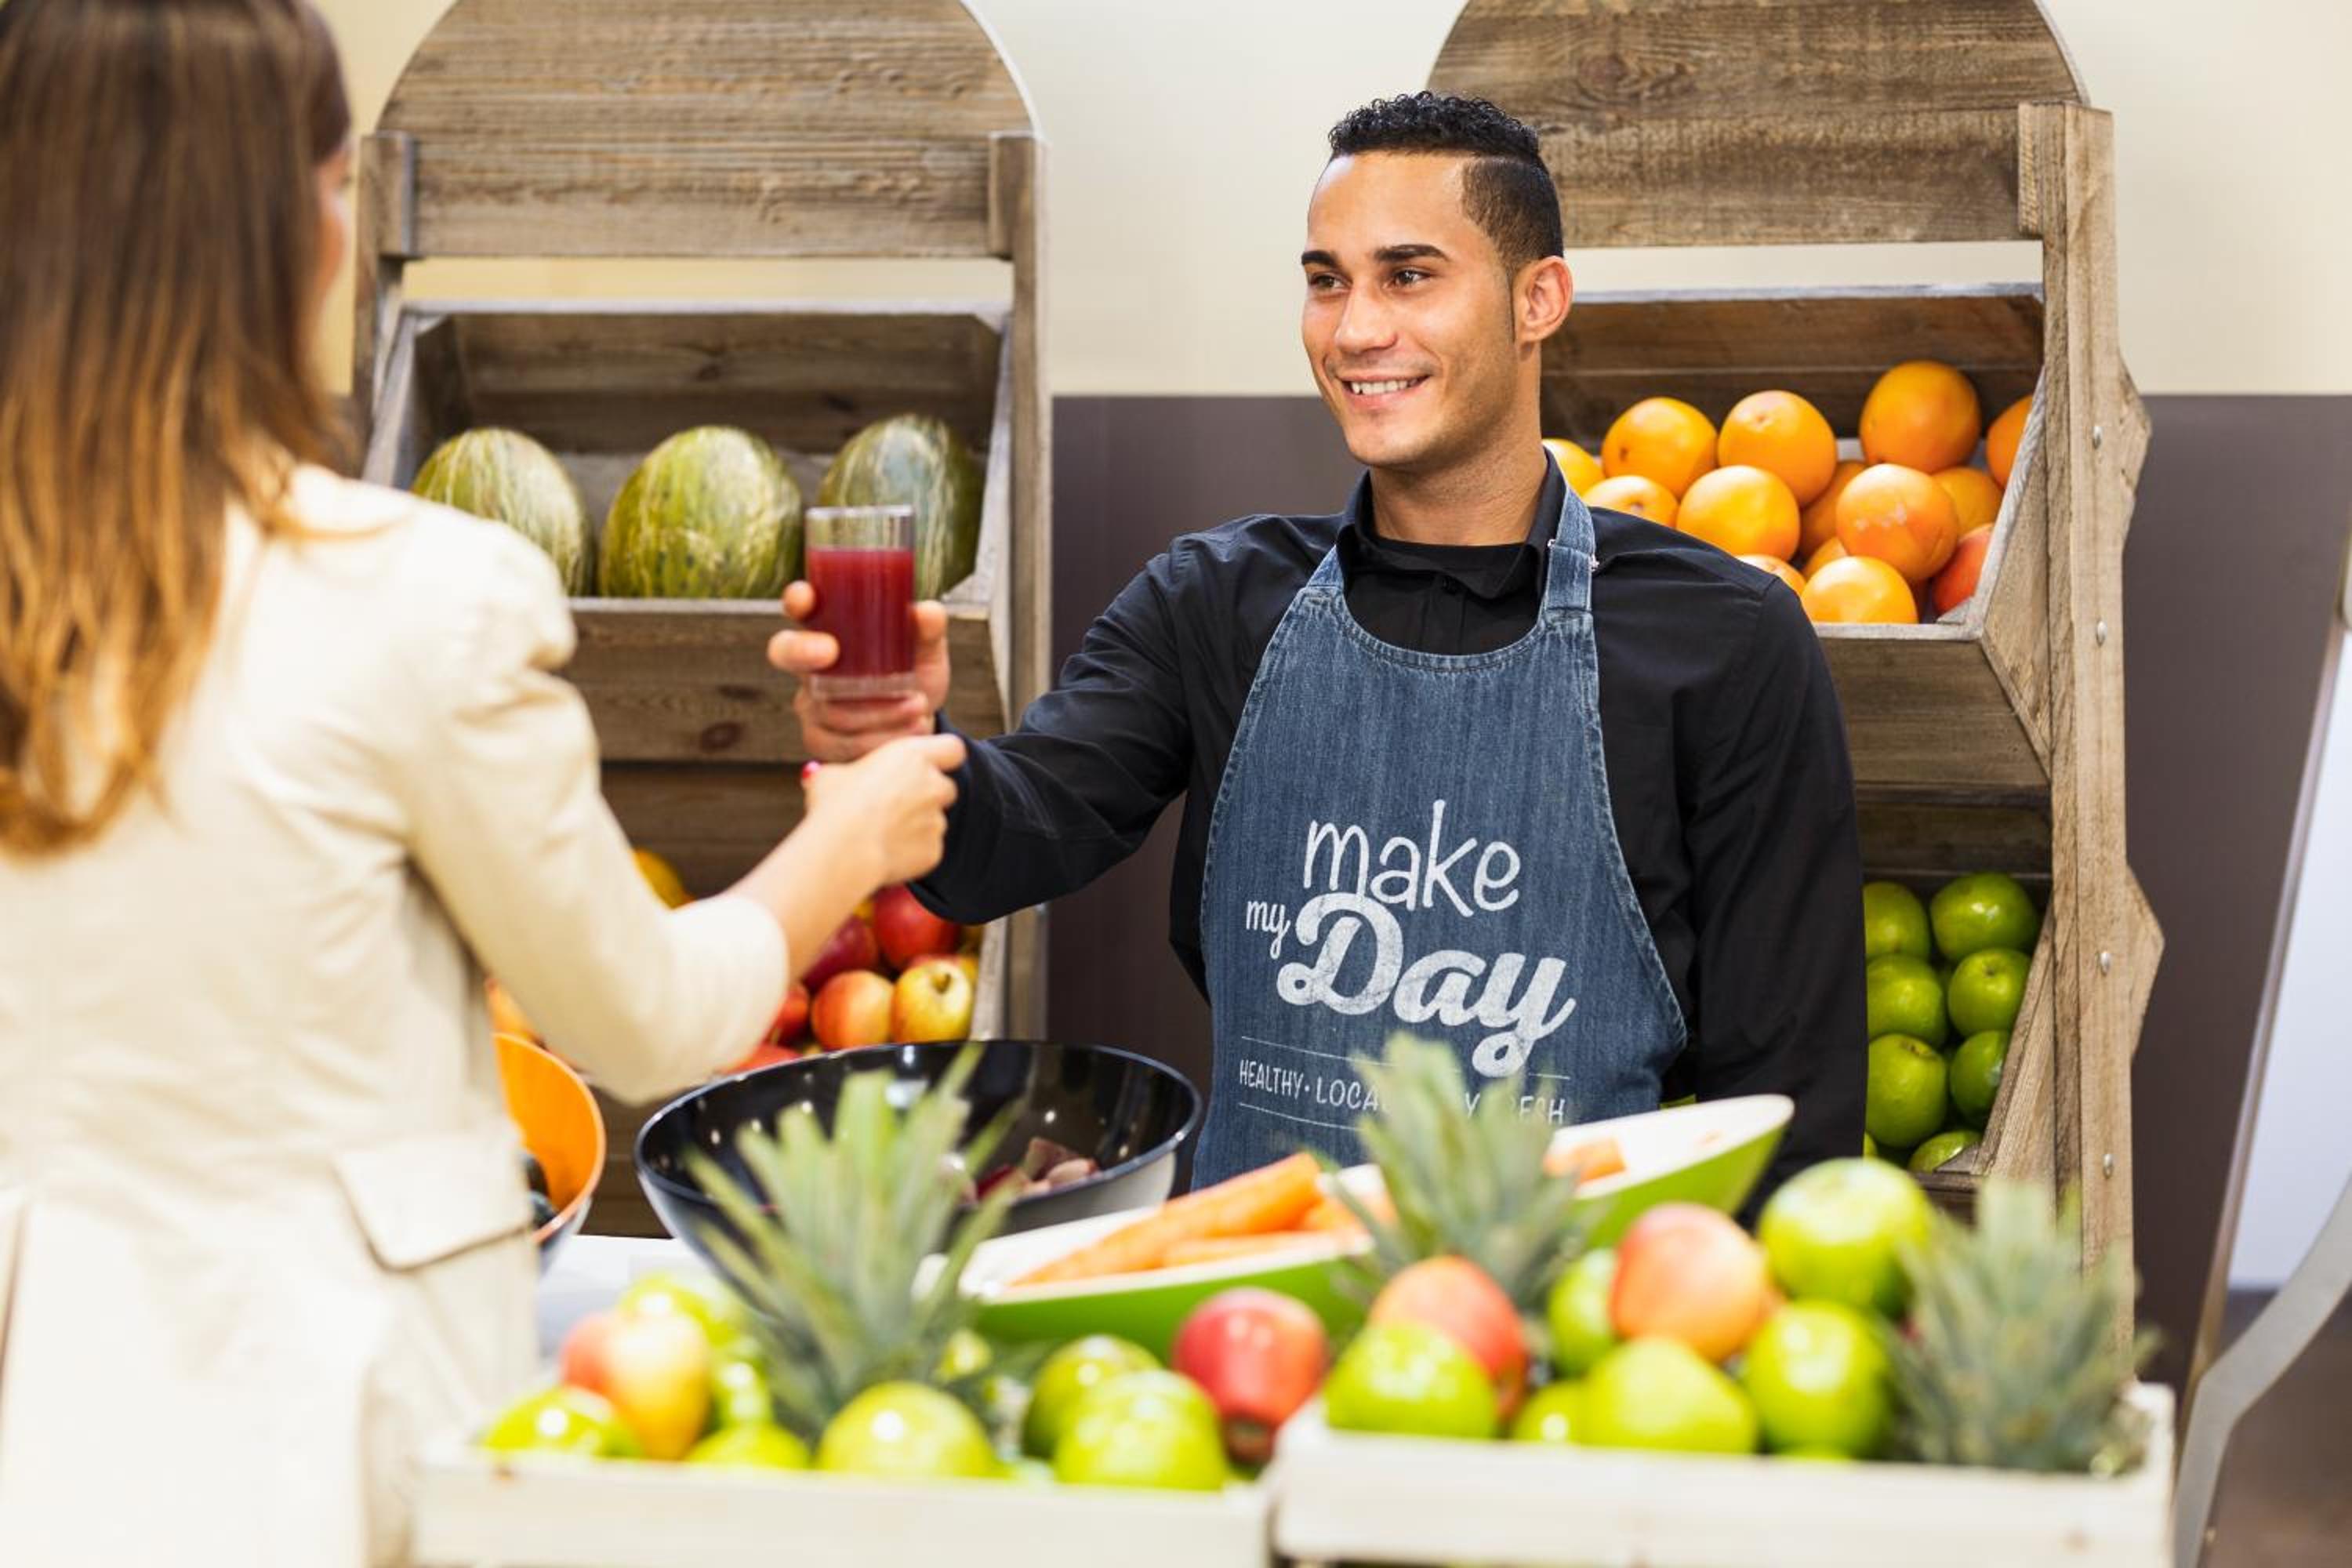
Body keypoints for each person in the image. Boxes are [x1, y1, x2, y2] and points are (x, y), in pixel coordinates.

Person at [0, 3, 963, 1563]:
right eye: (335, 181)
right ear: (284, 232)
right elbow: (641, 1016)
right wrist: (843, 840)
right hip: (317, 1437)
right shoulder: (407, 595)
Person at [774, 93, 1863, 1192]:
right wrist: (900, 740)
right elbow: (1008, 845)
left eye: (1409, 275)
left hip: (1563, 1296)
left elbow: (1789, 1117)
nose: (1354, 331)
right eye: (1327, 280)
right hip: (1250, 1290)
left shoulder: (1725, 640)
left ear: (1538, 300)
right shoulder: (1212, 601)